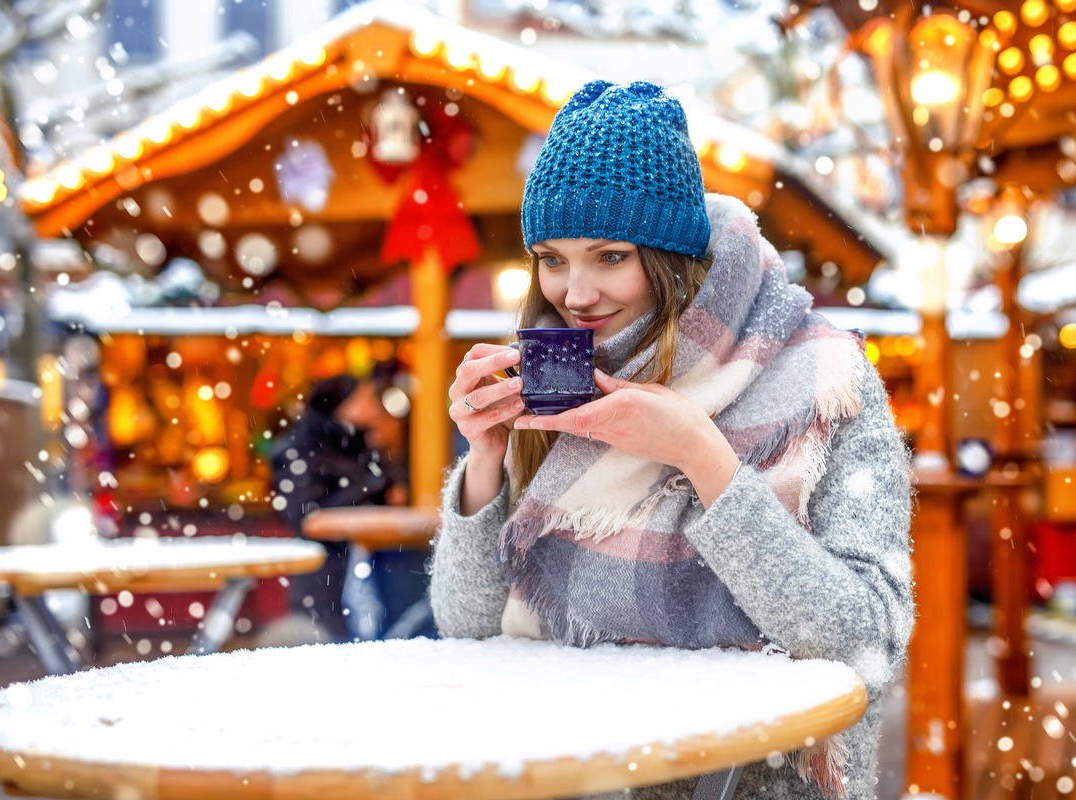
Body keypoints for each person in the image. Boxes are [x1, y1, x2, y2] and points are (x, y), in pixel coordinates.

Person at [429, 80, 914, 800]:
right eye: (553, 259)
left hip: (761, 782)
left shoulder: (823, 376)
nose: (576, 292)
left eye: (610, 256)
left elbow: (864, 639)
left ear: (673, 257)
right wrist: (485, 459)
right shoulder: (559, 381)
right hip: (572, 773)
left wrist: (701, 455)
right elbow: (469, 633)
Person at [271, 363, 425, 642]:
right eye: (364, 397)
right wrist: (370, 487)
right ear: (341, 406)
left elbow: (389, 490)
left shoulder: (358, 441)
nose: (373, 404)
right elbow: (305, 515)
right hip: (324, 574)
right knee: (329, 645)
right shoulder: (301, 448)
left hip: (373, 570)